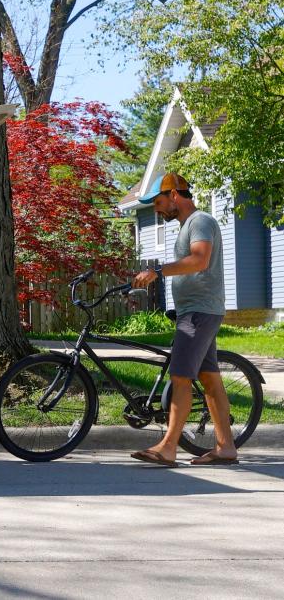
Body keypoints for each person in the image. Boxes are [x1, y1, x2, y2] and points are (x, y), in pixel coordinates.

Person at [129, 172, 237, 466]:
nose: (156, 209)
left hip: (200, 312)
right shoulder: (187, 226)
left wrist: (159, 271)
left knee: (180, 377)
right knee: (210, 380)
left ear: (174, 195)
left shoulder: (200, 221)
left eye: (159, 202)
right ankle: (226, 447)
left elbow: (200, 260)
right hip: (197, 310)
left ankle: (168, 447)